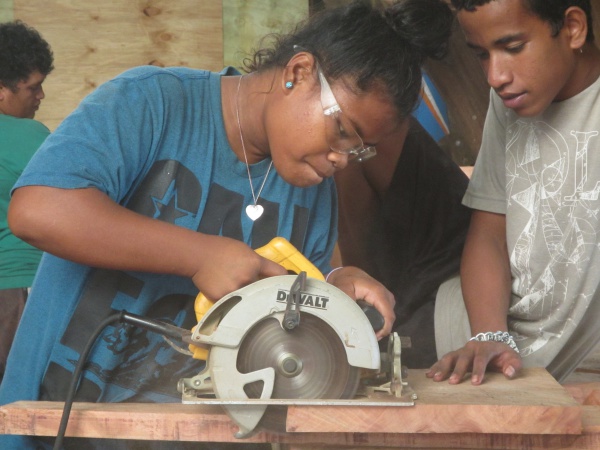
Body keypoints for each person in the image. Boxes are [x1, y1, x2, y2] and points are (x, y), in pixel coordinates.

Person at [0, 0, 454, 448]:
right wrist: (199, 255)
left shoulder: (312, 191)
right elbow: (38, 209)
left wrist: (335, 281)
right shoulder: (154, 103)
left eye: (359, 149)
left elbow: (288, 316)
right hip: (55, 425)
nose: (342, 159)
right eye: (342, 131)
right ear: (298, 73)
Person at [427, 0, 600, 386]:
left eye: (512, 47)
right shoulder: (508, 103)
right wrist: (490, 334)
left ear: (573, 28)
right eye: (481, 55)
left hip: (573, 372)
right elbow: (489, 234)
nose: (494, 75)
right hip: (479, 334)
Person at [335, 116, 472, 368]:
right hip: (417, 286)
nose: (337, 158)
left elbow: (359, 272)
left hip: (440, 298)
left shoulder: (352, 143)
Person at [0, 20, 54, 384]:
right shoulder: (29, 135)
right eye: (32, 88)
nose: (40, 97)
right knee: (25, 402)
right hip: (20, 288)